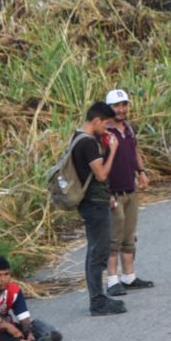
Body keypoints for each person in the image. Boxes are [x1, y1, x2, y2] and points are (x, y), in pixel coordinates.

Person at [67, 102, 123, 315]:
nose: (106, 128)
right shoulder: (88, 143)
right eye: (106, 124)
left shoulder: (76, 137)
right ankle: (97, 301)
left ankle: (98, 298)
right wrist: (113, 151)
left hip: (91, 200)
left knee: (95, 250)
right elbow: (100, 175)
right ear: (96, 120)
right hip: (93, 203)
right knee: (98, 251)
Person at [100, 89, 151, 299]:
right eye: (116, 106)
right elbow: (100, 166)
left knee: (129, 234)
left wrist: (141, 171)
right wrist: (107, 193)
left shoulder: (128, 128)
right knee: (114, 237)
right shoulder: (104, 134)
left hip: (130, 189)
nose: (121, 110)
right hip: (114, 193)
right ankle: (112, 280)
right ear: (108, 109)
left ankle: (129, 276)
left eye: (124, 105)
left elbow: (135, 151)